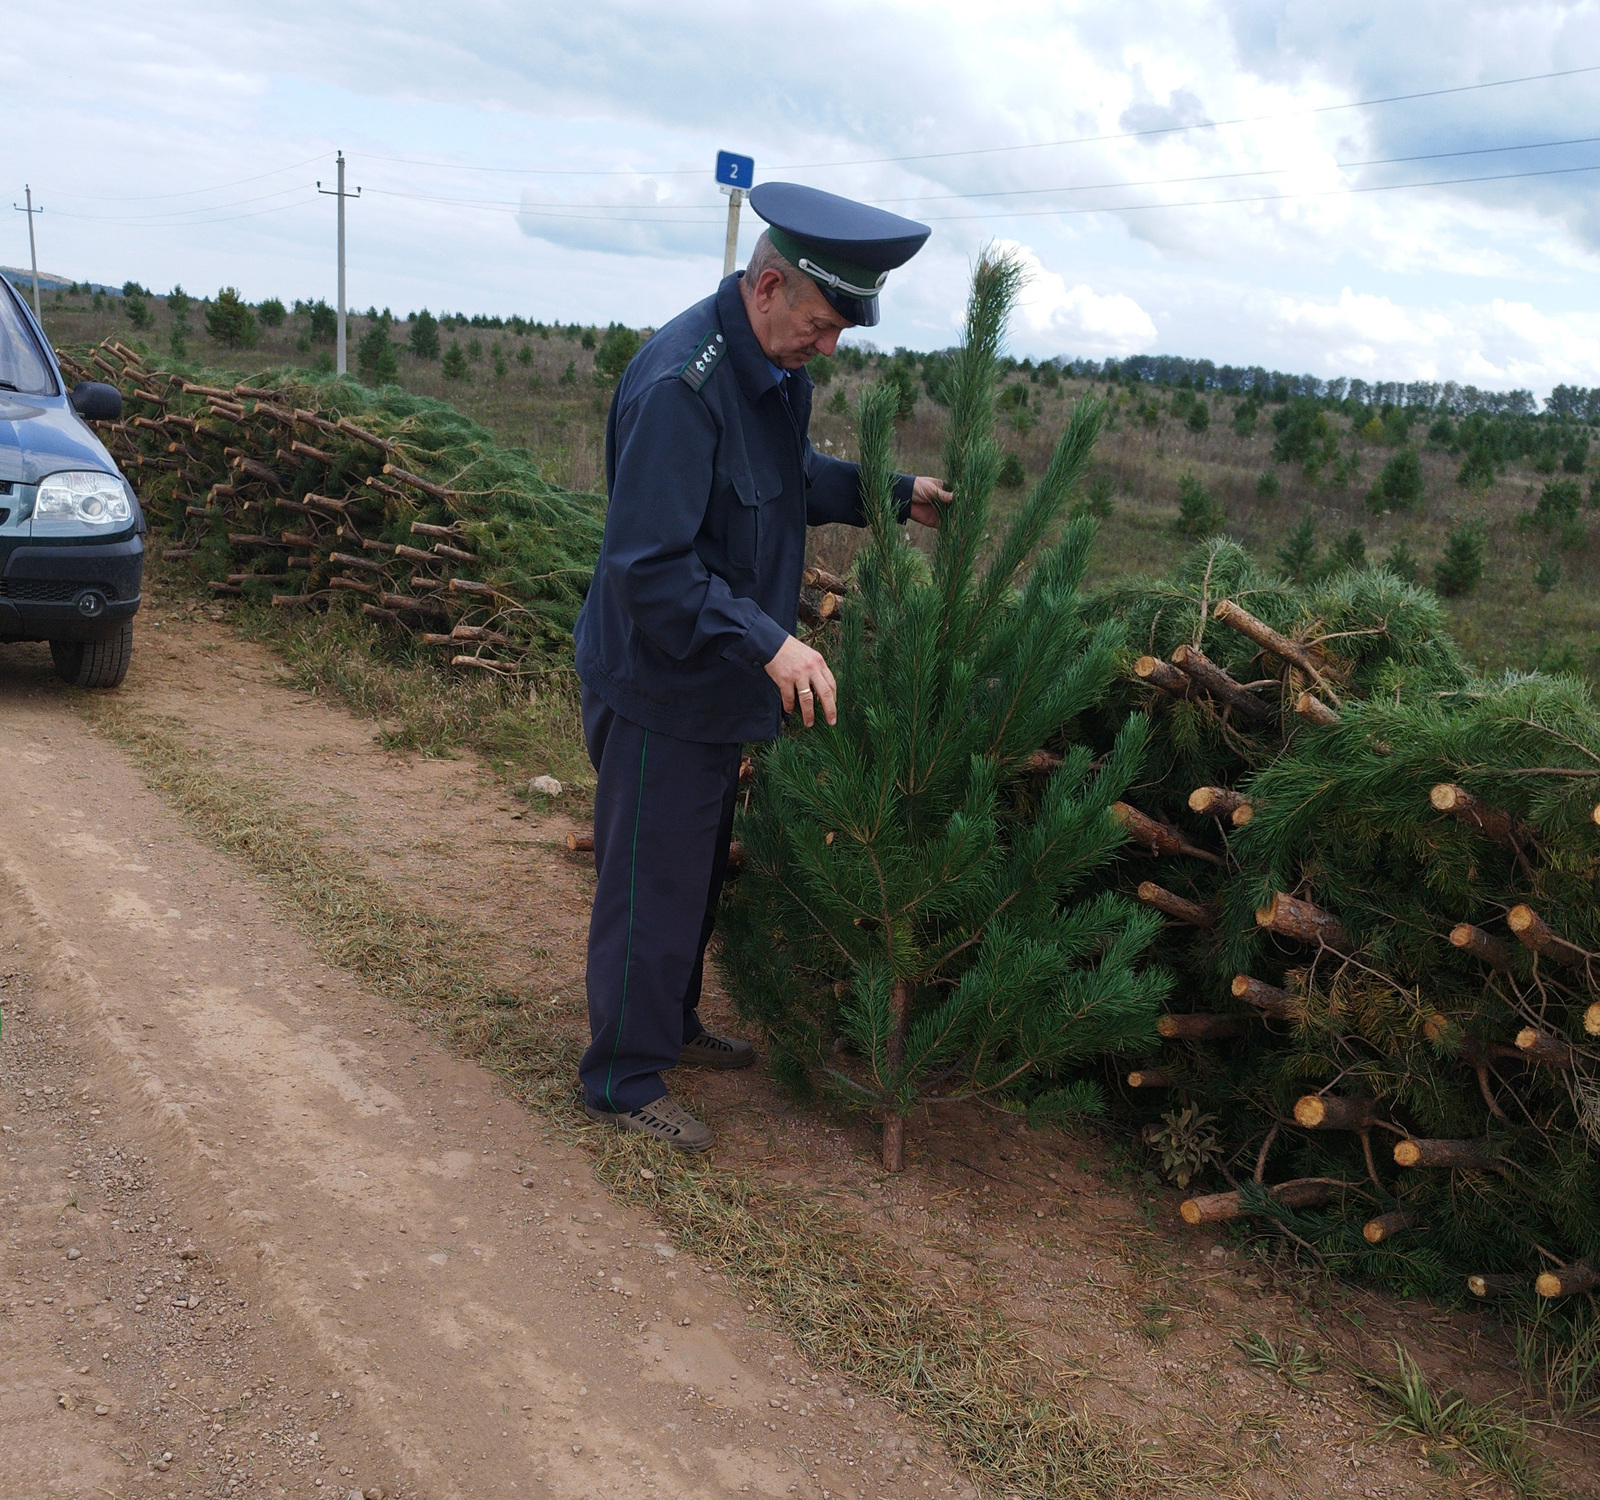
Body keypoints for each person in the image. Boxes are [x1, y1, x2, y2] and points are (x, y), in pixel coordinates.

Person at [572, 182, 949, 1151]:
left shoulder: (769, 369)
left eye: (837, 334)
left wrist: (892, 494)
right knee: (648, 885)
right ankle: (621, 1076)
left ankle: (672, 1026)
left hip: (711, 682)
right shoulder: (680, 390)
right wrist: (769, 641)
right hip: (660, 681)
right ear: (768, 285)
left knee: (689, 875)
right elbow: (647, 570)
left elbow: (789, 478)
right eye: (819, 325)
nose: (826, 347)